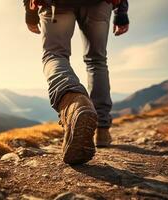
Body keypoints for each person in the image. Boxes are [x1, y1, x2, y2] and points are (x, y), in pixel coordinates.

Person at [23, 0, 129, 164]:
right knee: (97, 61)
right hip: (99, 4)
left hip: (56, 4)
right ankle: (101, 129)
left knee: (54, 55)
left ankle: (73, 101)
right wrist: (121, 11)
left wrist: (29, 11)